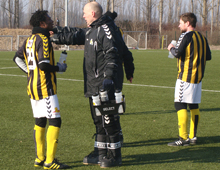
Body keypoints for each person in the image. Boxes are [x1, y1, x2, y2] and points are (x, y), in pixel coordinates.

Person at [51, 1, 134, 168]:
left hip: (105, 84)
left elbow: (113, 52)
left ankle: (115, 155)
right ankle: (100, 153)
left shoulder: (106, 29)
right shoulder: (92, 29)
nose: (83, 15)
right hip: (92, 84)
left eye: (85, 13)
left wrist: (109, 77)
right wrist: (54, 34)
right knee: (98, 120)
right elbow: (74, 35)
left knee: (109, 120)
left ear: (93, 14)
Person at [13, 10, 69, 169]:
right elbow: (44, 65)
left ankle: (39, 158)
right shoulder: (43, 40)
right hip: (45, 88)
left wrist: (30, 73)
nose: (52, 21)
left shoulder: (29, 39)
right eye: (49, 19)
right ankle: (50, 161)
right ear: (42, 23)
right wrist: (58, 67)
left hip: (32, 87)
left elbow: (17, 58)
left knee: (40, 121)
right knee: (55, 121)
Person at [167, 12, 211, 146]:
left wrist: (171, 48)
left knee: (179, 104)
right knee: (194, 105)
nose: (179, 25)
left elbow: (177, 53)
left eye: (180, 22)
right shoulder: (202, 37)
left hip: (185, 77)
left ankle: (183, 138)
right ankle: (193, 137)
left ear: (187, 23)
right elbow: (208, 56)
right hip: (198, 78)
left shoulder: (185, 35)